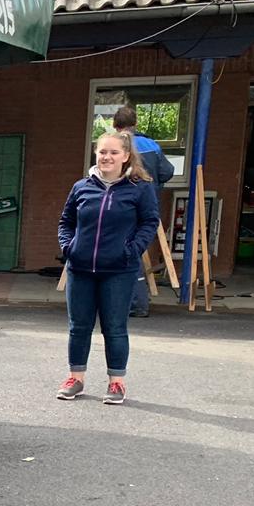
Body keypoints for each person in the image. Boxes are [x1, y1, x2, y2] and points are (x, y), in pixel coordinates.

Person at [57, 131, 160, 406]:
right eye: (102, 152)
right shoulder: (81, 187)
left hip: (119, 271)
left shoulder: (140, 188)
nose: (107, 157)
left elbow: (149, 222)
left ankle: (116, 382)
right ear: (96, 154)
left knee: (114, 328)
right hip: (80, 269)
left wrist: (131, 250)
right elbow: (66, 222)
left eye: (114, 152)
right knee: (78, 327)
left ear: (125, 156)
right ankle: (75, 378)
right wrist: (69, 247)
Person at [112, 105, 176, 317]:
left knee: (129, 253)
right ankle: (133, 301)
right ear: (136, 123)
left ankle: (137, 303)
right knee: (135, 250)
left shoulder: (116, 145)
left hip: (124, 207)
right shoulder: (152, 145)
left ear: (115, 124)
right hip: (149, 206)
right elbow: (167, 171)